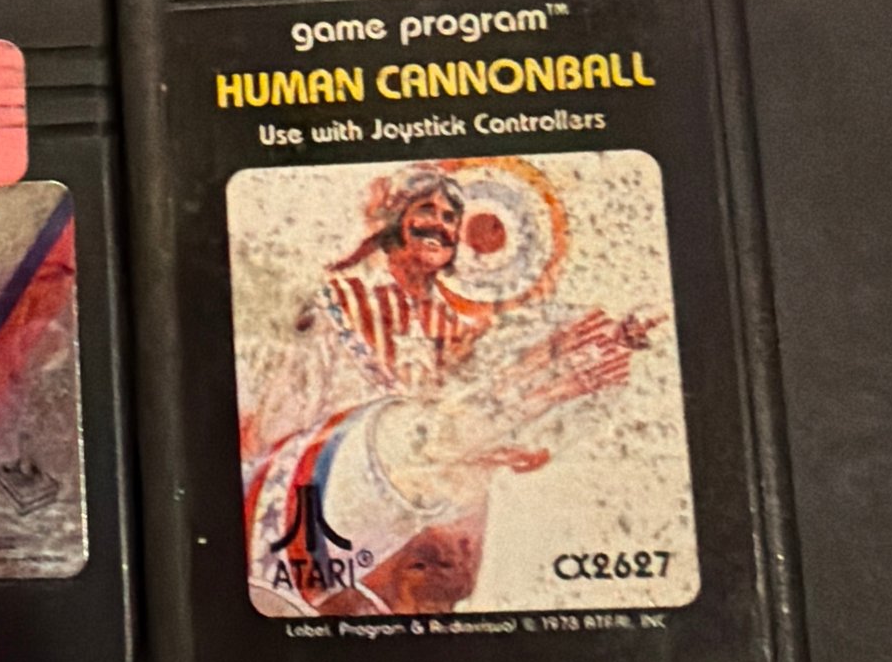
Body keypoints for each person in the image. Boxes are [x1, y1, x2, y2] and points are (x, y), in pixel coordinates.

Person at [241, 164, 653, 617]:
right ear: (396, 219)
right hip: (340, 495)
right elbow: (280, 422)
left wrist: (603, 349)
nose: (438, 224)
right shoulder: (341, 303)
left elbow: (493, 404)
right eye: (426, 210)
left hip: (435, 508)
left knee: (440, 582)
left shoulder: (460, 329)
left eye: (450, 217)